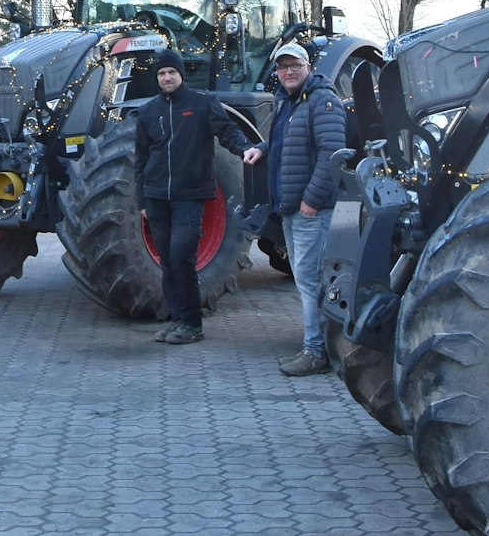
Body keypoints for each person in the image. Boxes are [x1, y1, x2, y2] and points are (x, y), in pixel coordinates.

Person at [242, 42, 352, 377]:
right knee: (308, 279)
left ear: (308, 67)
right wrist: (262, 148)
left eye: (295, 65)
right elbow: (287, 141)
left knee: (309, 281)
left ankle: (316, 350)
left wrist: (311, 201)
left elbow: (333, 153)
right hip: (289, 208)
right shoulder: (288, 102)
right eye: (282, 67)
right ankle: (322, 345)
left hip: (310, 211)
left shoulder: (323, 101)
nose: (288, 72)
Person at [136, 47, 250, 346]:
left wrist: (246, 149)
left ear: (180, 75)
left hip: (190, 195)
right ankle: (176, 320)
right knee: (168, 262)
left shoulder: (202, 105)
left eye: (171, 72)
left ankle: (191, 323)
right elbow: (140, 160)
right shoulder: (148, 112)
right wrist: (142, 202)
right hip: (157, 197)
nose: (167, 77)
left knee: (181, 257)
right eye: (161, 73)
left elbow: (228, 133)